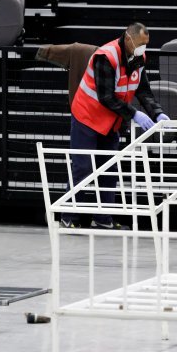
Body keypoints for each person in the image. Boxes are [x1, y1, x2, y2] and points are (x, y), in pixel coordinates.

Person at [62, 22, 168, 229]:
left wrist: (157, 113)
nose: (143, 48)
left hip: (112, 120)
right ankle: (69, 217)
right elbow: (106, 96)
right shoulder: (106, 56)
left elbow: (143, 90)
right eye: (140, 44)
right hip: (88, 116)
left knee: (109, 169)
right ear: (128, 38)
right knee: (83, 168)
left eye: (146, 44)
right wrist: (134, 114)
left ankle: (103, 219)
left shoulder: (139, 58)